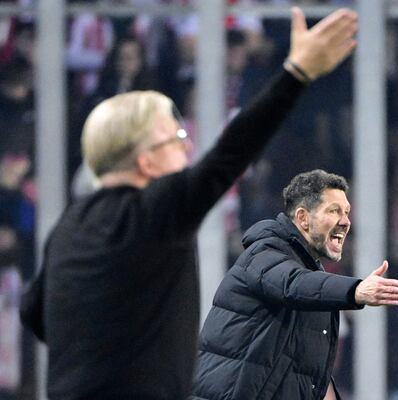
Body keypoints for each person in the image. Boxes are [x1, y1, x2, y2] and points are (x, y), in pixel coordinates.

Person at [19, 7, 359, 399]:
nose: (189, 147)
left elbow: (35, 312)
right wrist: (297, 73)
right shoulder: (153, 212)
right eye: (177, 137)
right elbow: (231, 153)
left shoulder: (73, 222)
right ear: (145, 161)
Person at [191, 169, 398, 400]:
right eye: (334, 211)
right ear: (303, 218)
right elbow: (292, 284)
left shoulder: (312, 279)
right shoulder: (264, 253)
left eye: (346, 212)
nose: (345, 222)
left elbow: (306, 372)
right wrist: (355, 290)